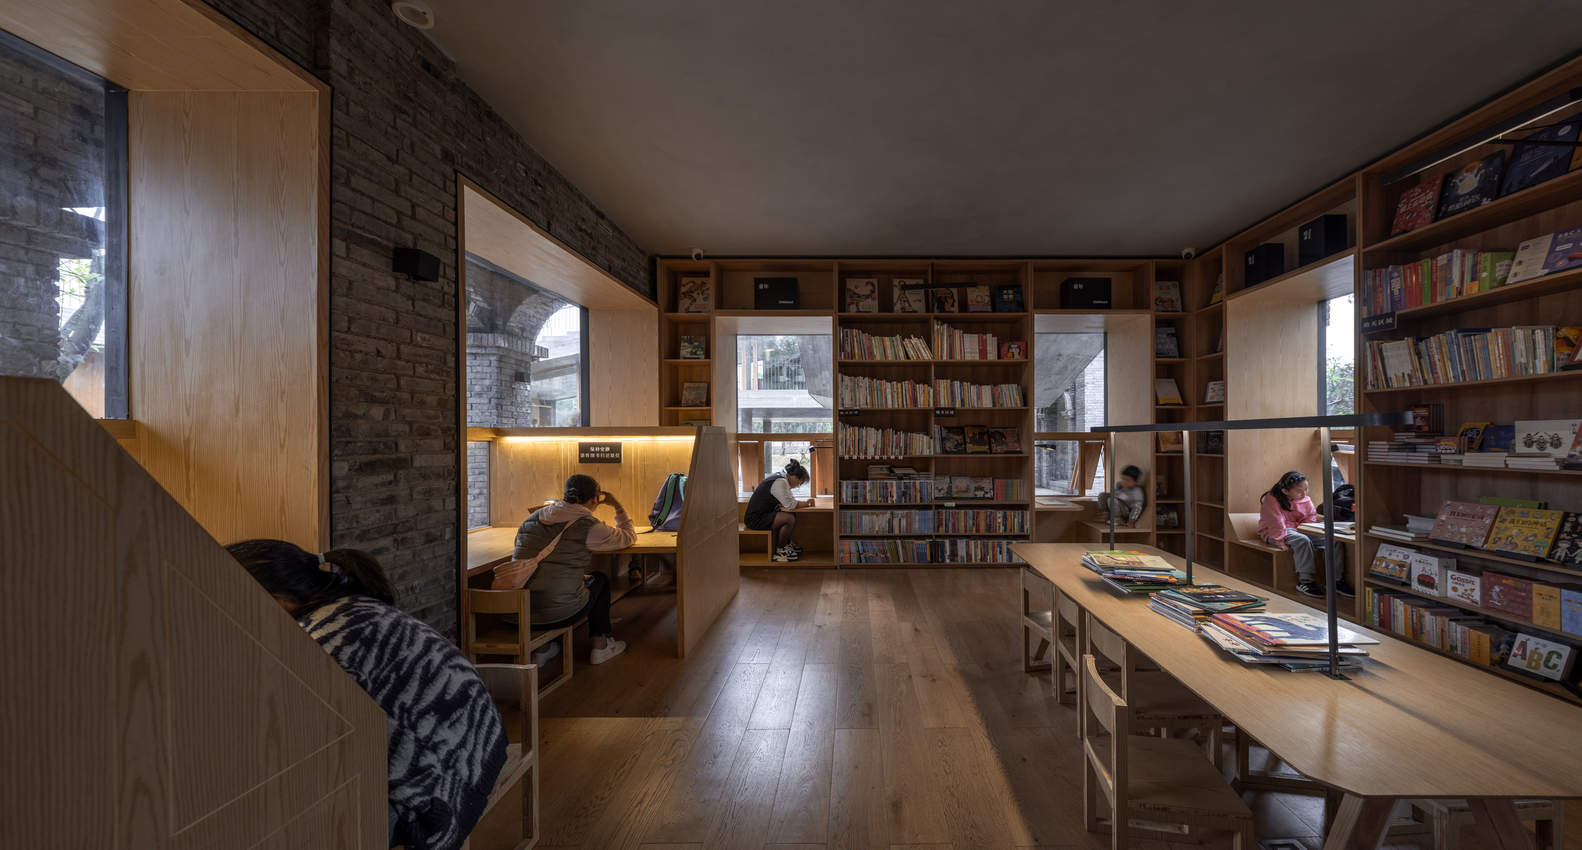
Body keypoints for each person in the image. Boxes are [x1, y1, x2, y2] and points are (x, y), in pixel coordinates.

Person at [226, 540, 506, 850]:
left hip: (443, 790)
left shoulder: (318, 646)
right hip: (479, 743)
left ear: (275, 601)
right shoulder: (354, 607)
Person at [492, 473, 635, 665]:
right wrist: (617, 505)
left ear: (565, 495)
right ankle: (600, 647)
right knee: (599, 580)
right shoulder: (588, 526)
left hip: (516, 612)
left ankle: (543, 649)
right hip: (560, 613)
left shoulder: (533, 518)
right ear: (595, 499)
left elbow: (520, 547)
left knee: (550, 586)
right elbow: (628, 537)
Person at [1259, 469, 1355, 599]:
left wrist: (1313, 531)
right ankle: (1305, 581)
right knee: (1302, 540)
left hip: (1299, 529)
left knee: (1333, 539)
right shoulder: (1271, 499)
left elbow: (1310, 519)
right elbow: (1276, 522)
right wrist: (1280, 542)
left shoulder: (1305, 499)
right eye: (1299, 491)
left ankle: (1335, 581)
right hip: (1275, 532)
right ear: (1285, 491)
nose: (1304, 494)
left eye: (1306, 489)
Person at [744, 459, 814, 562]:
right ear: (794, 477)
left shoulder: (782, 478)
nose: (798, 486)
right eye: (800, 483)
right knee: (789, 519)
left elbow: (789, 502)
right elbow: (791, 504)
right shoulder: (780, 482)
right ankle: (780, 551)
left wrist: (801, 503)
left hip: (763, 514)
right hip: (755, 519)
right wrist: (807, 503)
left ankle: (785, 543)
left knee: (791, 515)